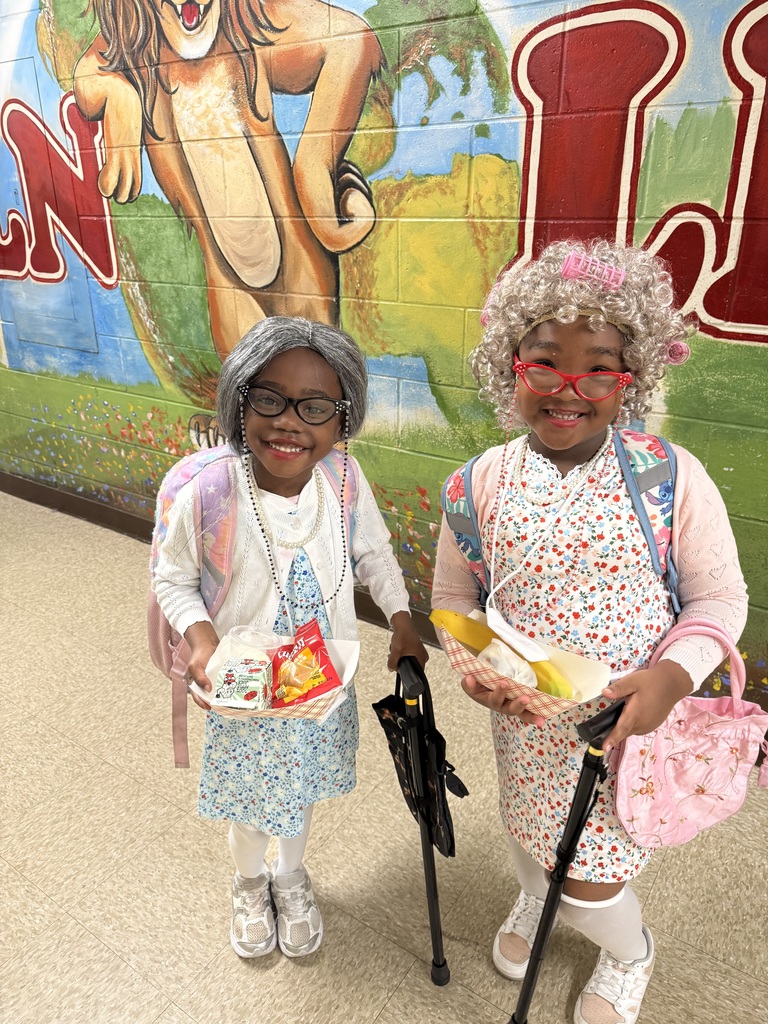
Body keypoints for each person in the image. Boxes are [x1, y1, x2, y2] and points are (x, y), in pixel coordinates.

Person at [431, 240, 748, 1024]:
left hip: (623, 733)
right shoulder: (477, 485)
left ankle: (628, 950)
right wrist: (476, 667)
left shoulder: (668, 477)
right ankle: (533, 894)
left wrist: (672, 678)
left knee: (591, 885)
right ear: (509, 366)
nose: (569, 390)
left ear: (630, 377)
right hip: (526, 728)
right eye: (544, 364)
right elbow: (454, 597)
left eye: (599, 369)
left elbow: (719, 598)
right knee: (527, 839)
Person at [153, 316, 427, 960]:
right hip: (245, 682)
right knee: (252, 803)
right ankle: (250, 882)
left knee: (303, 787)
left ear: (342, 419)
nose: (289, 422)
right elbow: (172, 578)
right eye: (269, 399)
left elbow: (375, 554)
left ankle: (290, 874)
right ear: (239, 401)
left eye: (315, 406)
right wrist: (201, 640)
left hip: (321, 679)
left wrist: (401, 618)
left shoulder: (344, 480)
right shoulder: (212, 492)